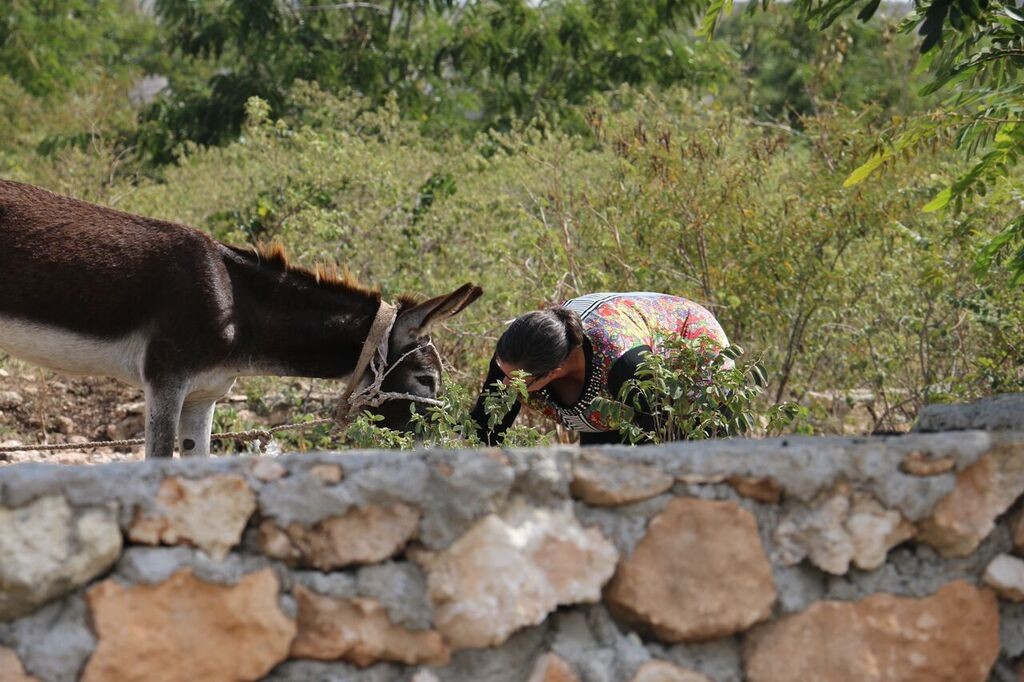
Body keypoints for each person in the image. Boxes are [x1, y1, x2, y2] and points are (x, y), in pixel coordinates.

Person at [469, 292, 732, 445]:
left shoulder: (627, 366)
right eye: (502, 374)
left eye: (516, 382)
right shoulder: (514, 355)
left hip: (690, 352)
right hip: (610, 387)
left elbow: (661, 447)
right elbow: (482, 435)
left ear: (554, 372)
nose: (503, 386)